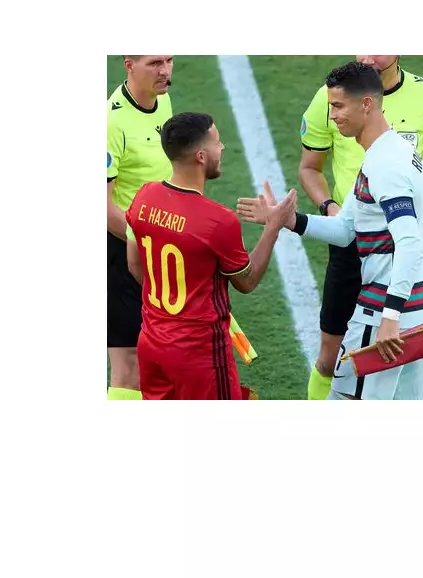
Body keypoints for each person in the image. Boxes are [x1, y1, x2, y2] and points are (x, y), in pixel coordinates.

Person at [240, 62, 423, 400]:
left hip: (390, 317)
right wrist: (289, 221)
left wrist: (390, 316)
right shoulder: (392, 153)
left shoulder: (385, 166)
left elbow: (409, 242)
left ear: (366, 104)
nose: (333, 115)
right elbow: (347, 229)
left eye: (338, 106)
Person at [125, 112, 297, 400]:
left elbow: (134, 263)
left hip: (152, 344)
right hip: (200, 354)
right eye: (217, 143)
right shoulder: (217, 221)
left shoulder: (144, 196)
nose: (222, 148)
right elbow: (247, 280)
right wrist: (273, 226)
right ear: (202, 156)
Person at [107, 55, 174, 400]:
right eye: (154, 63)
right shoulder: (110, 123)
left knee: (161, 362)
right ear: (129, 64)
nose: (165, 71)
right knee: (129, 367)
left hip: (159, 248)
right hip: (121, 252)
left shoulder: (162, 99)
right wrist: (144, 246)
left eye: (170, 60)